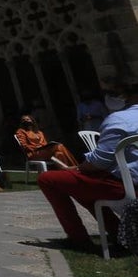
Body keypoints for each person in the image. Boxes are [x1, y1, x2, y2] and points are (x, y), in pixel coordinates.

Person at [38, 80, 138, 251]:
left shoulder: (120, 119)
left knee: (47, 179)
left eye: (123, 95)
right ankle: (118, 233)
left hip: (127, 186)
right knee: (82, 184)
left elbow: (99, 162)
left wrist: (79, 168)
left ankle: (78, 238)